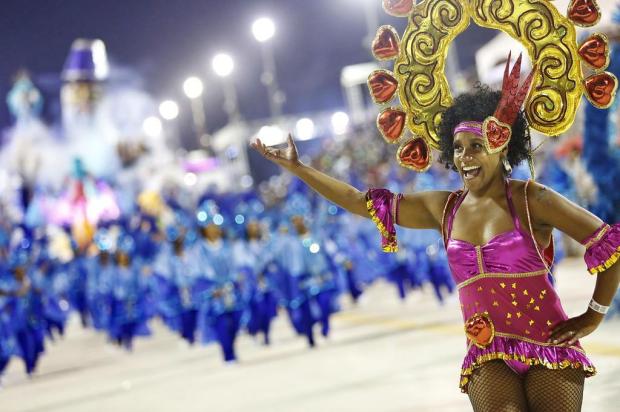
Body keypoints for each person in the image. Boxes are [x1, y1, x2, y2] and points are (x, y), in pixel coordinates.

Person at [252, 75, 620, 410]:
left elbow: (609, 245)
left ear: (501, 146)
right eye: (458, 147)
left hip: (548, 344)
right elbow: (357, 201)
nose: (465, 157)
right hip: (486, 352)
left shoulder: (532, 200)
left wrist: (593, 315)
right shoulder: (442, 208)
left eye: (476, 145)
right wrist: (299, 168)